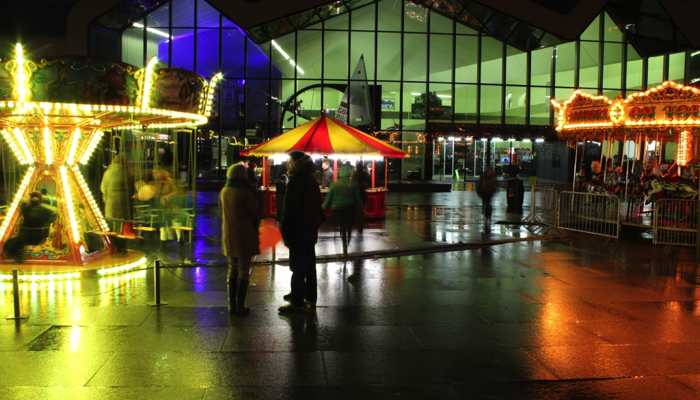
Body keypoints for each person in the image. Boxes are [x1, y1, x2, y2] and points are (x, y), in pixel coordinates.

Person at [279, 151, 324, 313]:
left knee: (297, 267)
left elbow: (290, 210)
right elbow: (319, 208)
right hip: (310, 230)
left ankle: (297, 302)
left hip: (298, 230)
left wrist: (285, 230)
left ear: (296, 164)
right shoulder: (312, 180)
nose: (287, 164)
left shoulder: (295, 182)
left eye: (289, 161)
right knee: (309, 266)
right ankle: (310, 297)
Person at [219, 164, 261, 315]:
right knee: (243, 269)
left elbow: (220, 213)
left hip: (229, 235)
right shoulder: (244, 192)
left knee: (232, 268)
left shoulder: (224, 191)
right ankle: (240, 305)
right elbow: (254, 211)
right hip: (244, 234)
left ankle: (231, 306)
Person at [3, 191, 58, 263]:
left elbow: (31, 217)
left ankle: (19, 259)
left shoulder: (37, 210)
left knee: (12, 243)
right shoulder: (43, 209)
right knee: (10, 243)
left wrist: (24, 206)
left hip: (32, 235)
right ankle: (19, 256)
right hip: (32, 234)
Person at [323, 165, 364, 255]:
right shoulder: (353, 184)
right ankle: (347, 240)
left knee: (342, 225)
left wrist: (322, 208)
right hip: (350, 207)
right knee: (349, 225)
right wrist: (362, 208)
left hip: (338, 208)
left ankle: (343, 239)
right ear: (348, 173)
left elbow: (328, 199)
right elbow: (358, 198)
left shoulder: (334, 185)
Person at [101, 153, 135, 255]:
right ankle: (122, 248)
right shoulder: (129, 173)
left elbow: (103, 188)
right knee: (123, 227)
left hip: (111, 205)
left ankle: (112, 248)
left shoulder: (108, 173)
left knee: (111, 227)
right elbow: (132, 189)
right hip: (125, 206)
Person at [476, 167, 497, 232]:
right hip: (484, 192)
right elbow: (479, 186)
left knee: (488, 204)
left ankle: (487, 215)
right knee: (485, 203)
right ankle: (486, 214)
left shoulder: (492, 178)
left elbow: (495, 185)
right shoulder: (483, 178)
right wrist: (479, 193)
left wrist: (493, 191)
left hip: (489, 193)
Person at [352, 162, 371, 235]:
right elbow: (368, 182)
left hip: (355, 194)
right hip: (363, 194)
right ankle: (360, 225)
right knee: (362, 210)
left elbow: (352, 183)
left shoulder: (354, 174)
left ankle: (357, 222)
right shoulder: (365, 174)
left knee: (356, 209)